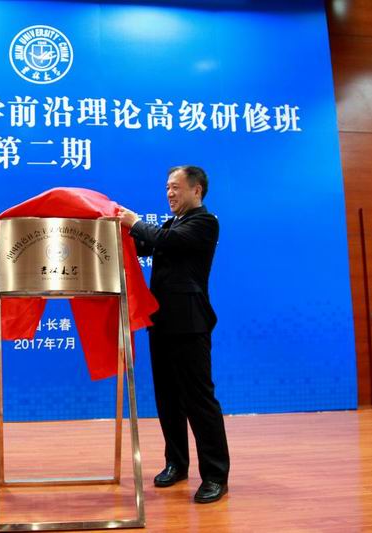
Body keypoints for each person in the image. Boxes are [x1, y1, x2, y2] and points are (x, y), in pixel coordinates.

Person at [117, 165, 230, 504]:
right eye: (167, 187)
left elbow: (166, 241)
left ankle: (215, 476)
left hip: (190, 323)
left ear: (197, 190)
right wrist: (115, 230)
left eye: (176, 187)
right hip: (162, 321)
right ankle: (176, 464)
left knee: (199, 399)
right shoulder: (172, 224)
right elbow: (145, 244)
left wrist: (134, 222)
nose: (169, 193)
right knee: (167, 398)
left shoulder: (204, 223)